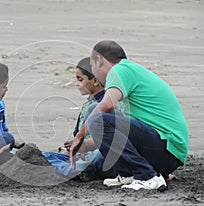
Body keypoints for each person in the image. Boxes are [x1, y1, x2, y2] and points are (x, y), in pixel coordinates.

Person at [69, 40, 188, 191]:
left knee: (98, 117)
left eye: (92, 65)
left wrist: (79, 136)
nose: (93, 70)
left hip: (168, 149)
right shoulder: (130, 71)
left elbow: (107, 105)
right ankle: (128, 172)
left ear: (99, 60)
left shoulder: (119, 70)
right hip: (163, 151)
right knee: (93, 109)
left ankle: (146, 175)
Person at [43, 57, 115, 180]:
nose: (76, 84)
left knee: (96, 157)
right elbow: (78, 134)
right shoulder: (88, 103)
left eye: (80, 80)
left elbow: (108, 139)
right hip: (82, 155)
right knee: (44, 156)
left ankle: (64, 172)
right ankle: (69, 169)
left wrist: (84, 144)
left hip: (98, 153)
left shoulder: (105, 105)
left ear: (95, 81)